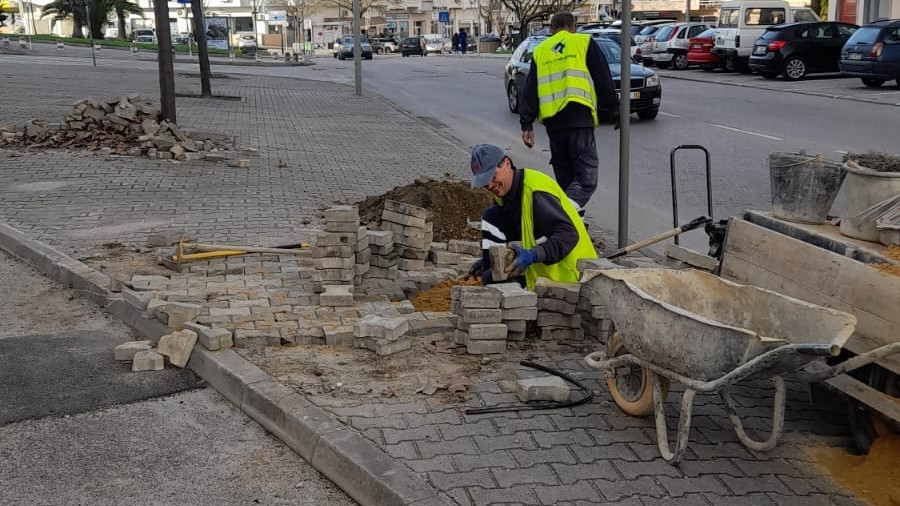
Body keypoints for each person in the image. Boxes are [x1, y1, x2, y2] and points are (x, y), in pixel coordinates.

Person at [518, 12, 619, 214]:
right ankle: (559, 215)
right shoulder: (583, 42)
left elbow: (530, 89)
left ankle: (570, 232)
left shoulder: (541, 50)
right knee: (585, 180)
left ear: (551, 29)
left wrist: (526, 124)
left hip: (554, 126)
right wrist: (615, 108)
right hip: (579, 120)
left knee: (567, 182)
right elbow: (603, 79)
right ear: (573, 27)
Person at [470, 144, 597, 290]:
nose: (490, 185)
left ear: (507, 163)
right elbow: (529, 231)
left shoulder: (535, 193)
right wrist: (496, 260)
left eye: (493, 176)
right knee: (492, 216)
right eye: (485, 182)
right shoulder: (506, 198)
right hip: (544, 283)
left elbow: (568, 235)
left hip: (575, 279)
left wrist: (533, 255)